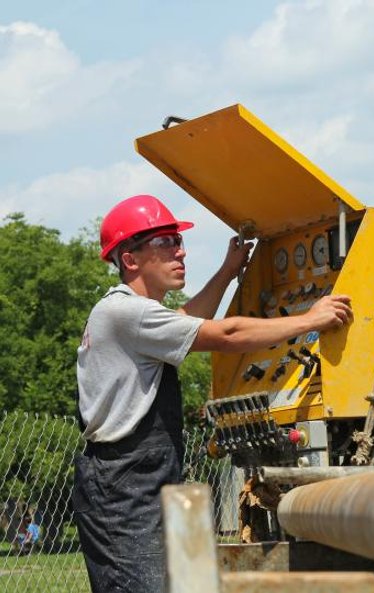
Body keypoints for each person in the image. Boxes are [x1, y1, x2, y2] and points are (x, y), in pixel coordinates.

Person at [72, 194, 352, 593]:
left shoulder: (136, 315)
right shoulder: (125, 313)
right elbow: (226, 334)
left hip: (134, 482)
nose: (180, 251)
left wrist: (227, 271)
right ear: (130, 259)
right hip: (123, 488)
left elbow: (187, 320)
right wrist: (310, 318)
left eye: (178, 240)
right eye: (165, 242)